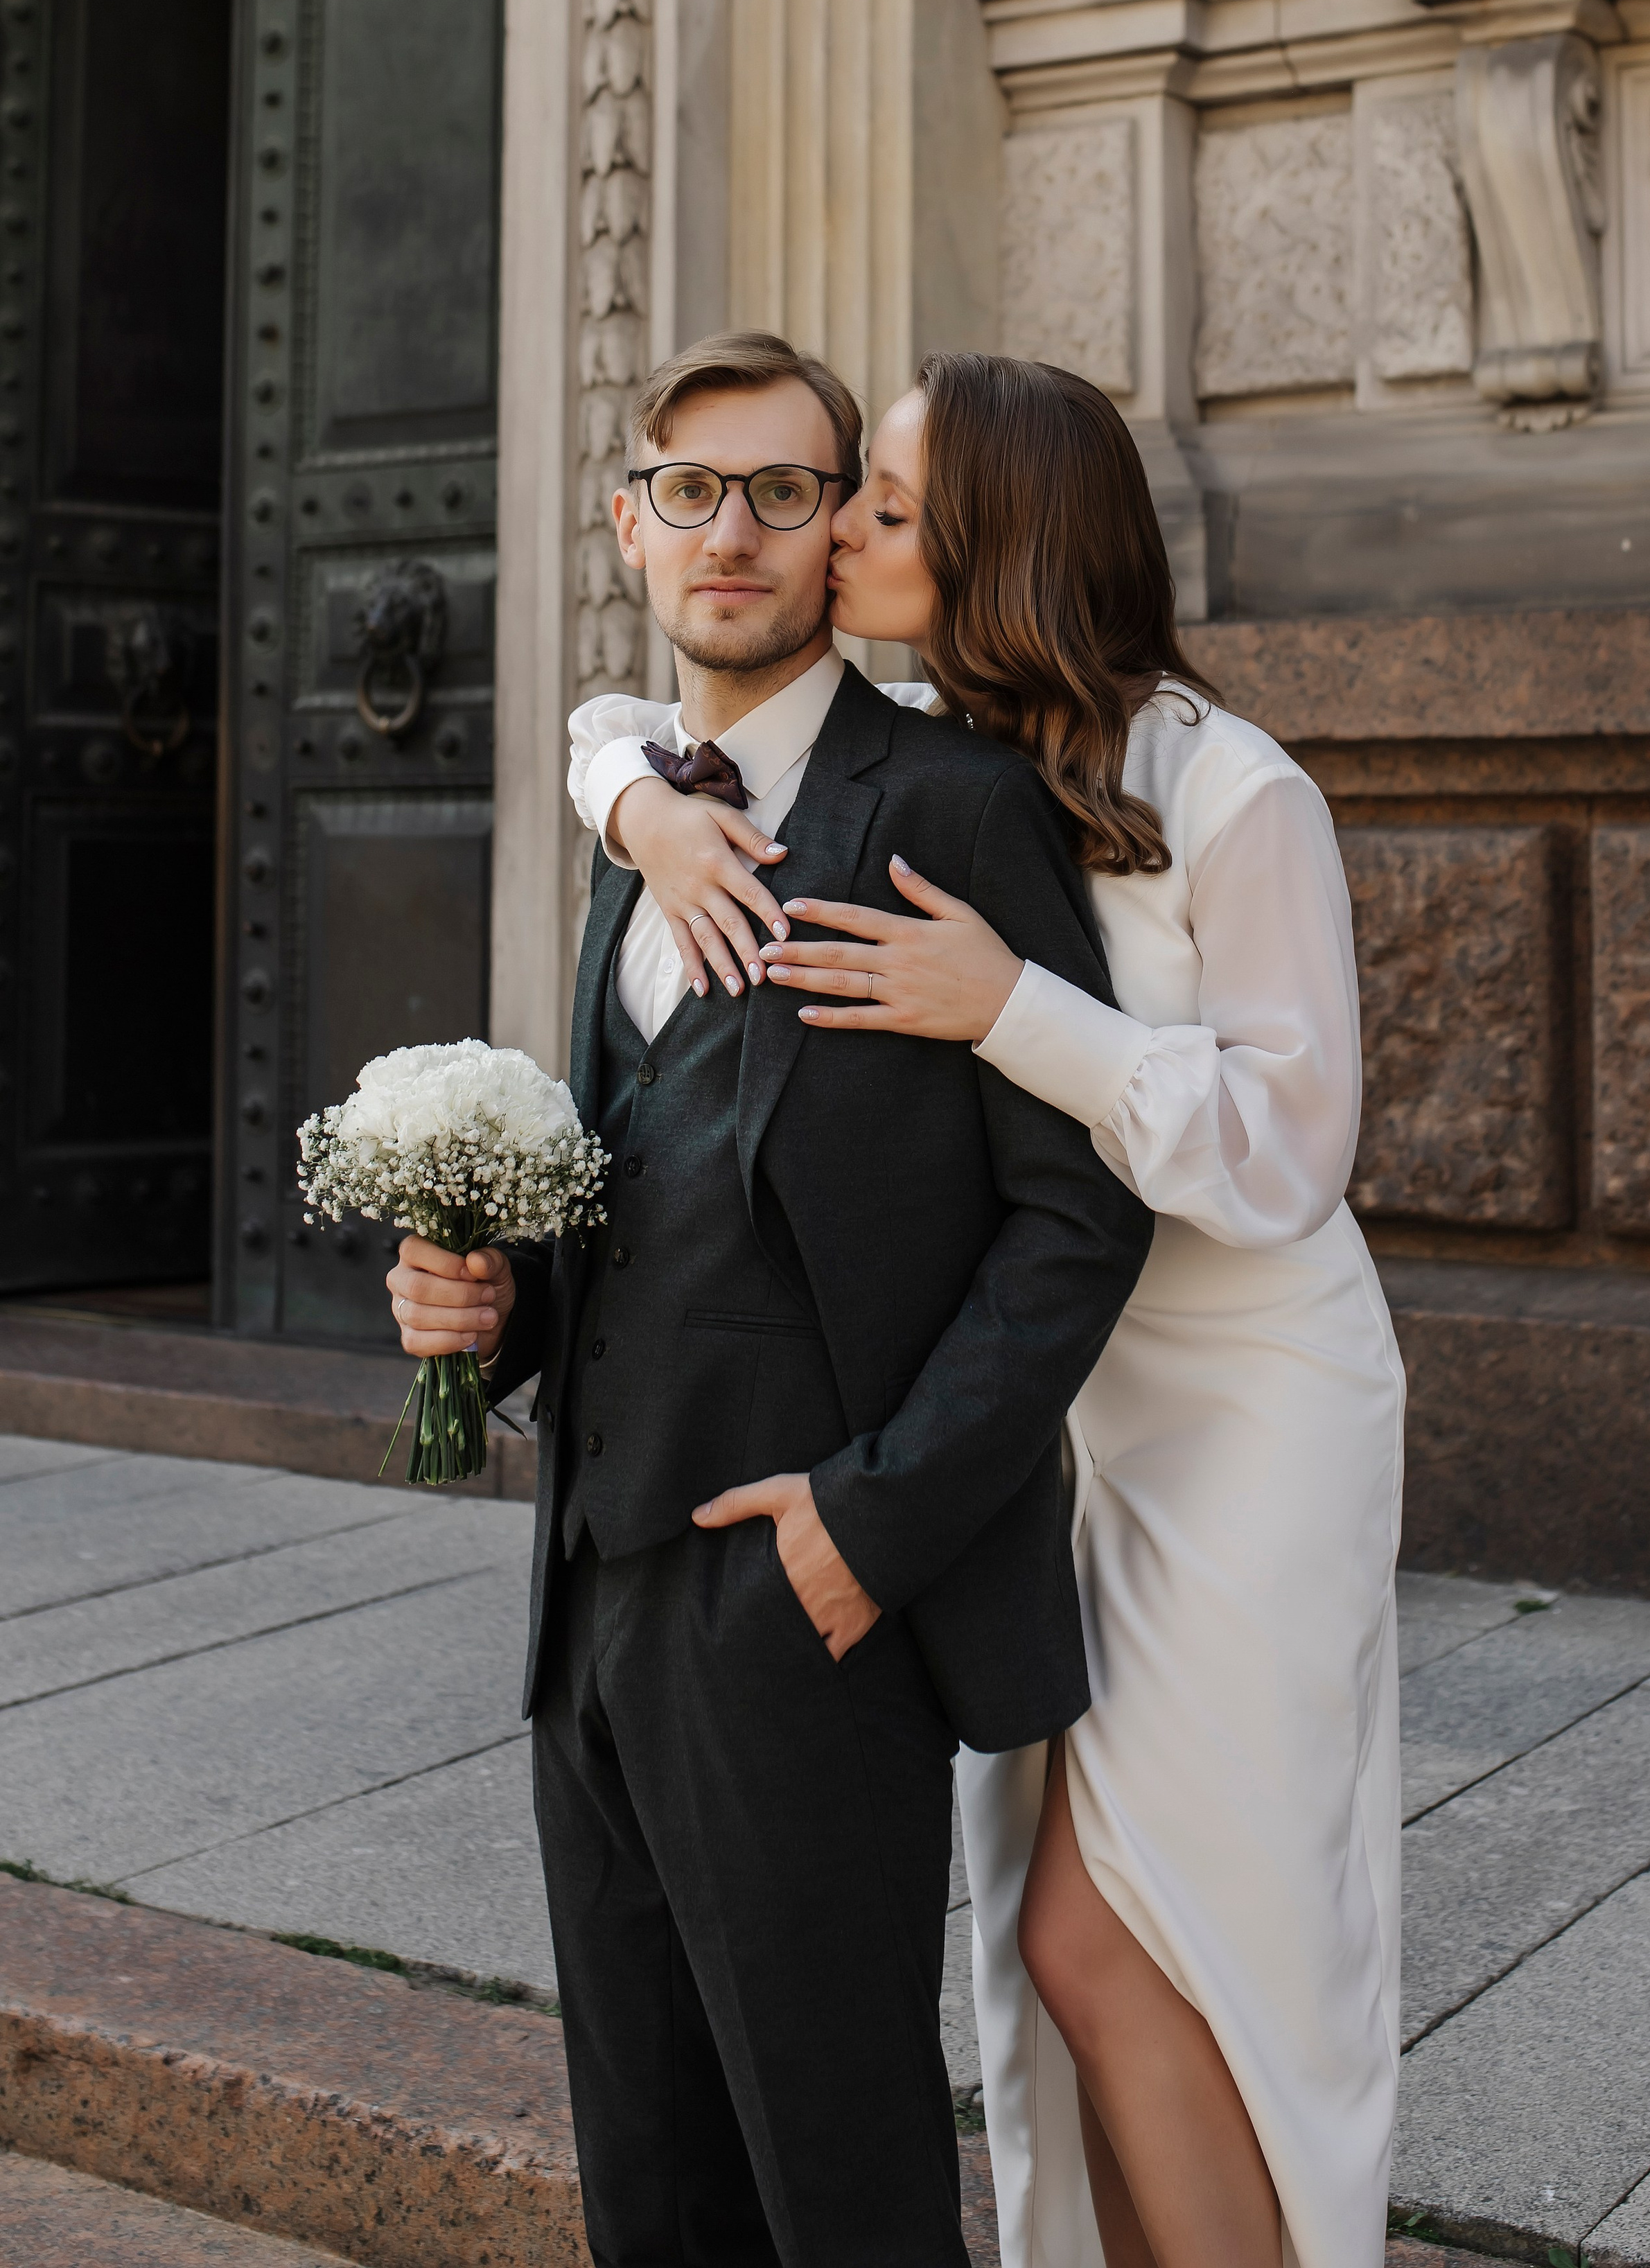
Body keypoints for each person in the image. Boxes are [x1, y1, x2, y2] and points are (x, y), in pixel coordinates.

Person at [570, 352, 1405, 2268]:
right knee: (1065, 1959)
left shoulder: (1233, 784)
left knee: (1168, 1930)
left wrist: (1011, 1007)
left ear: (995, 537)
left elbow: (1293, 1146)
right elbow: (626, 714)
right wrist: (635, 809)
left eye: (873, 503)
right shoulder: (961, 747)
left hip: (1249, 1404)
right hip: (1056, 1409)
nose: (831, 529)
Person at [385, 331, 1152, 2268]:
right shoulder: (640, 810)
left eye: (787, 491)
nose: (733, 530)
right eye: (691, 490)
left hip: (802, 1602)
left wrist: (868, 1521)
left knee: (845, 2185)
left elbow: (1078, 1213)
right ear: (633, 531)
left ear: (840, 541)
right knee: (655, 2181)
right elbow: (654, 1176)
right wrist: (503, 1311)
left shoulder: (953, 805)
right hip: (590, 1600)